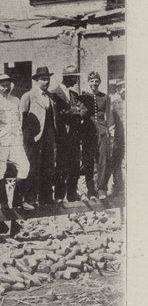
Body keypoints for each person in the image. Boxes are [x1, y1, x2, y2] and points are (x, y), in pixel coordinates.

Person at [0, 72, 30, 210]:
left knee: (24, 166)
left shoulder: (16, 100)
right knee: (0, 170)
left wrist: (20, 139)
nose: (6, 88)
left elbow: (19, 121)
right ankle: (4, 203)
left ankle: (17, 201)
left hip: (15, 140)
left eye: (8, 85)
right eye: (2, 85)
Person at [20, 67, 58, 207]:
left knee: (48, 167)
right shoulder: (28, 96)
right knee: (33, 167)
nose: (46, 82)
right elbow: (22, 118)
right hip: (33, 138)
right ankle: (30, 198)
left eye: (47, 79)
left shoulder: (51, 96)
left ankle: (46, 198)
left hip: (48, 136)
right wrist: (27, 138)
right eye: (43, 79)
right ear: (36, 80)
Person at [51, 66, 85, 203]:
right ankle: (59, 196)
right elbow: (59, 113)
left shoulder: (74, 94)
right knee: (61, 167)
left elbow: (82, 110)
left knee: (75, 166)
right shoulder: (54, 94)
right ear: (67, 78)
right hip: (61, 137)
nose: (76, 81)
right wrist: (74, 110)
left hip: (74, 136)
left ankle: (71, 194)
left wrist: (74, 110)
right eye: (74, 78)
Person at [84, 71, 117, 197]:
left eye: (96, 81)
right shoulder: (84, 96)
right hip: (88, 132)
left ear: (100, 82)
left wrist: (110, 129)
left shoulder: (105, 97)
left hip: (102, 132)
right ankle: (90, 190)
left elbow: (109, 114)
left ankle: (101, 188)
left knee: (103, 160)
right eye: (92, 81)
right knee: (88, 161)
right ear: (88, 82)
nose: (94, 83)